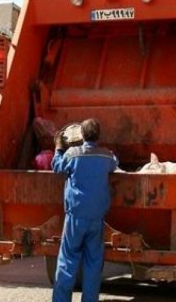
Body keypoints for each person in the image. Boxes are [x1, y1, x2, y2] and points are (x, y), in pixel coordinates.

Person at [51, 118, 118, 302]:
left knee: (67, 261)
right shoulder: (105, 156)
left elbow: (57, 167)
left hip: (76, 217)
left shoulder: (72, 154)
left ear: (81, 135)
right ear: (99, 136)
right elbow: (115, 163)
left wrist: (58, 148)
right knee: (93, 263)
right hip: (96, 218)